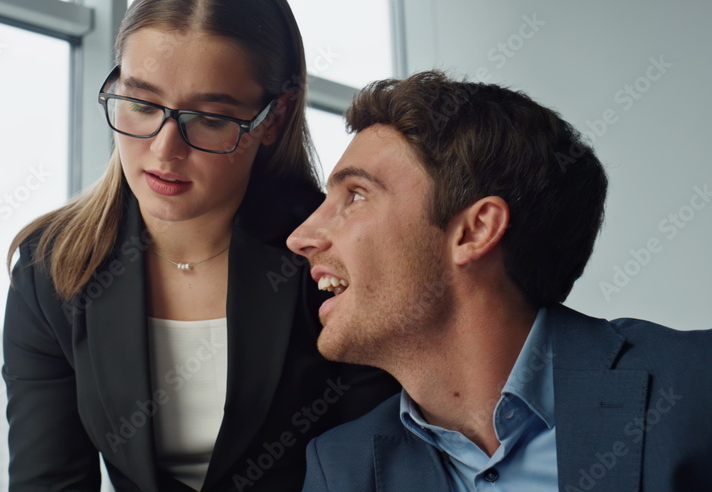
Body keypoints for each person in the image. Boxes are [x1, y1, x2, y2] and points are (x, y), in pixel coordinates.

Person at [2, 0, 397, 492]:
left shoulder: (331, 259)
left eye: (209, 118)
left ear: (273, 118)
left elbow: (375, 476)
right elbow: (48, 482)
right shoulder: (50, 269)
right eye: (140, 104)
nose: (164, 151)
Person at [287, 70, 712, 491]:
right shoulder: (342, 468)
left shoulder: (695, 387)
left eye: (356, 195)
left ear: (475, 232)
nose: (300, 238)